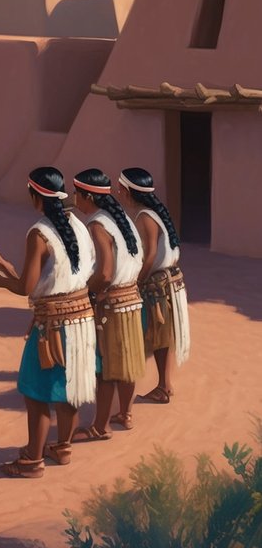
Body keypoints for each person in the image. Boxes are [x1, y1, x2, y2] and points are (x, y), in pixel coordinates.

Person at [0, 167, 97, 478]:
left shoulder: (39, 233)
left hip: (53, 325)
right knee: (70, 388)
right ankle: (62, 447)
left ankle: (32, 460)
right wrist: (5, 264)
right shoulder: (78, 225)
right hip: (81, 320)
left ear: (36, 197)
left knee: (37, 393)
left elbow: (27, 287)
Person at [71, 169, 147, 438]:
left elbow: (104, 272)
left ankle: (100, 427)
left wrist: (86, 292)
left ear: (88, 196)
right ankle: (125, 414)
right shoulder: (121, 219)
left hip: (112, 303)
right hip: (131, 299)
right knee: (128, 360)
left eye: (77, 193)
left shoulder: (97, 224)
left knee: (105, 369)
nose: (74, 198)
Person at [118, 167, 191, 404]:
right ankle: (165, 385)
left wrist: (136, 282)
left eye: (121, 188)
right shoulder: (155, 213)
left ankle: (162, 386)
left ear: (130, 191)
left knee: (157, 335)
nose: (119, 192)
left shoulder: (145, 217)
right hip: (169, 281)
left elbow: (148, 255)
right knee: (164, 336)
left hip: (158, 284)